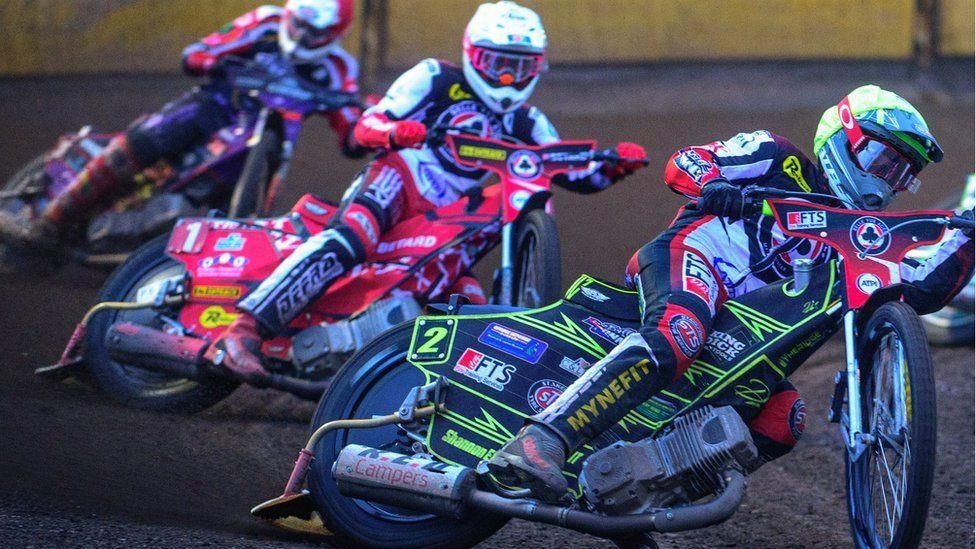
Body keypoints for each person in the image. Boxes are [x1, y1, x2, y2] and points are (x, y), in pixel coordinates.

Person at [488, 84, 976, 501]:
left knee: (785, 416)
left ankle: (646, 496)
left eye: (900, 172)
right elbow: (687, 160)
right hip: (693, 259)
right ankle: (543, 438)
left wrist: (968, 239)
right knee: (679, 333)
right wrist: (717, 184)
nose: (884, 180)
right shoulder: (777, 156)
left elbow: (922, 290)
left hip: (747, 332)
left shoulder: (860, 240)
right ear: (842, 139)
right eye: (881, 159)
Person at [208, 1, 648, 382]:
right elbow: (366, 125)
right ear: (474, 56)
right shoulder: (434, 78)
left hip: (450, 220)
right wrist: (397, 130)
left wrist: (614, 167)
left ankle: (418, 393)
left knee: (469, 303)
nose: (510, 79)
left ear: (539, 67)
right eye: (500, 65)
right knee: (350, 239)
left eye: (522, 68)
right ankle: (244, 329)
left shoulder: (528, 122)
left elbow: (567, 171)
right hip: (399, 180)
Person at [5, 0, 363, 245]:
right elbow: (204, 49)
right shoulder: (267, 22)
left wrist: (368, 123)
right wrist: (207, 59)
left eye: (312, 33)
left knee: (247, 210)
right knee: (146, 140)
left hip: (270, 141)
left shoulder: (339, 69)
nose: (300, 37)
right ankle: (49, 221)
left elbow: (352, 128)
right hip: (217, 107)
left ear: (334, 35)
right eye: (297, 25)